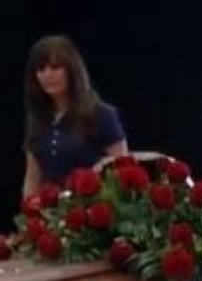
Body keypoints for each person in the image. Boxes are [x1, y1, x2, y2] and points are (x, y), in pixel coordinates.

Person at [21, 35, 128, 198]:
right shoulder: (37, 119)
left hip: (90, 207)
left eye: (55, 67)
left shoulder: (101, 114)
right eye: (41, 69)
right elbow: (32, 179)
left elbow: (123, 169)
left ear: (72, 70)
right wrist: (28, 209)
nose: (47, 75)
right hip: (48, 210)